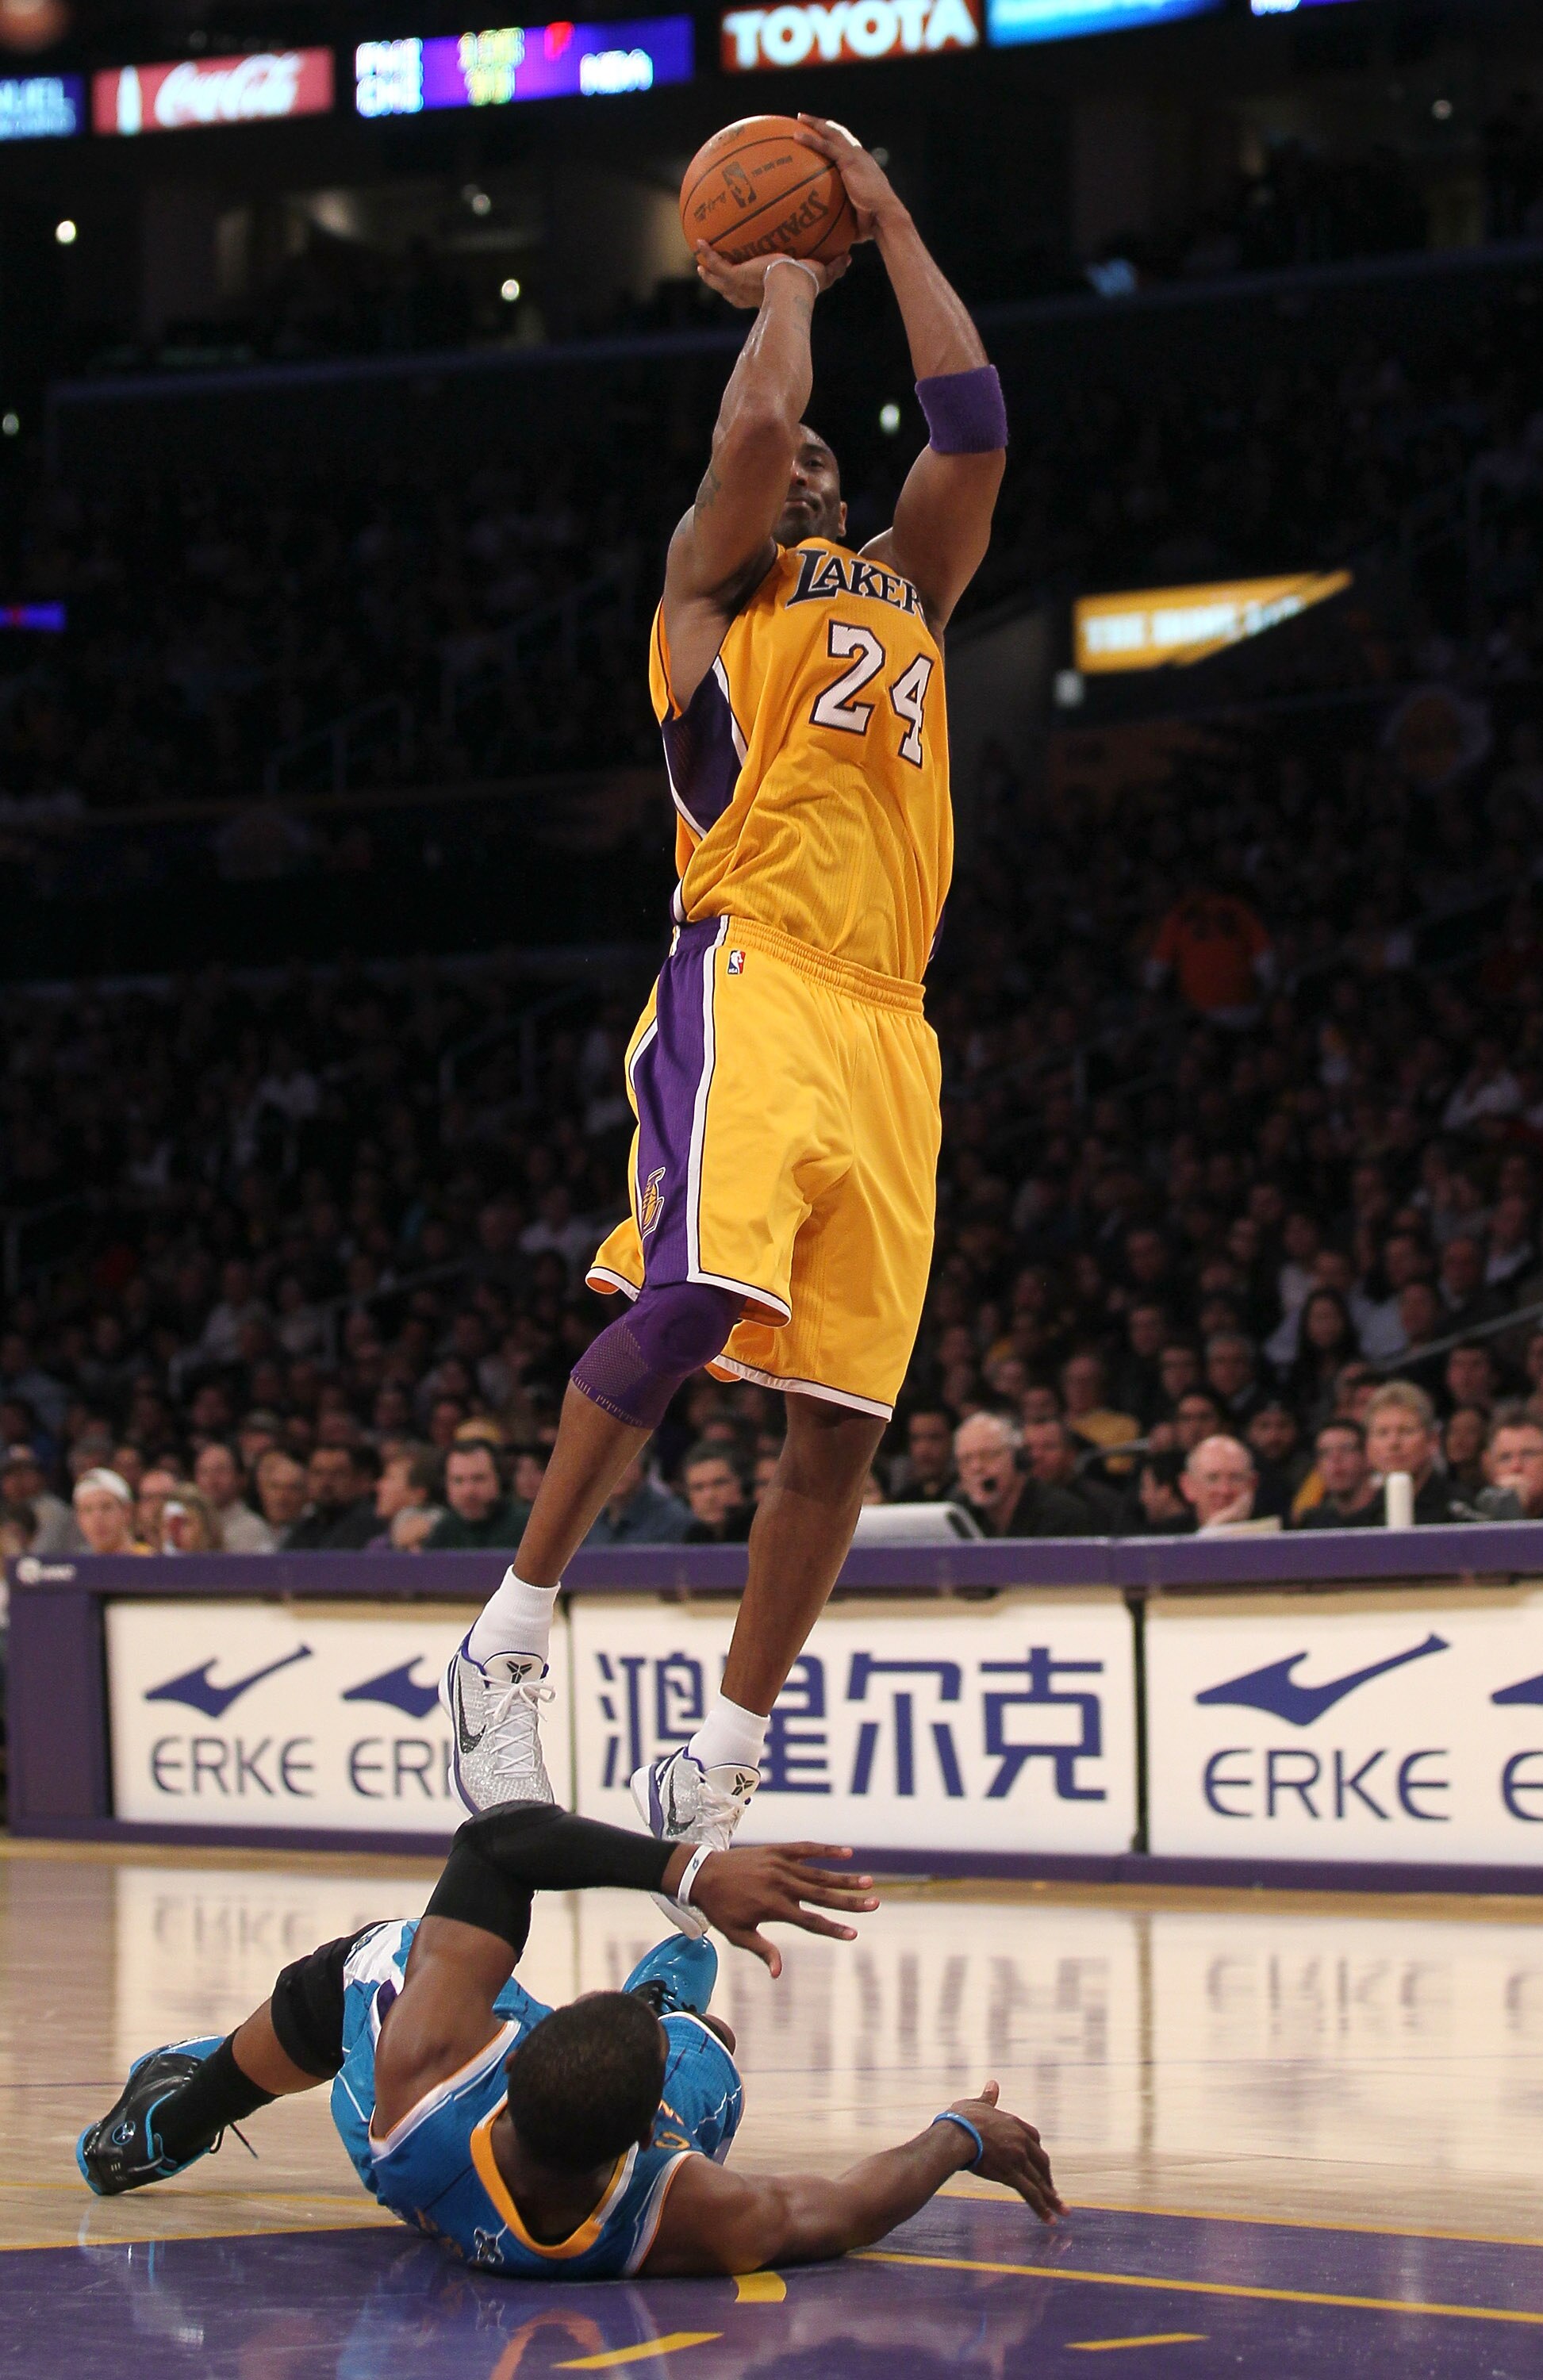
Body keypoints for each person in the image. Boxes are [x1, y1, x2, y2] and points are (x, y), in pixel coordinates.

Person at [439, 117, 1009, 1882]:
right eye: (799, 457)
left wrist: (888, 216)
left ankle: (723, 1759)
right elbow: (759, 431)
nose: (815, 462)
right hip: (752, 963)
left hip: (892, 1022)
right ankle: (507, 1638)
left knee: (842, 1422)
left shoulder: (908, 584)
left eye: (839, 456)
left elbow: (974, 425)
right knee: (692, 1298)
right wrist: (785, 284)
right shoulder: (707, 588)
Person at [75, 1806, 1063, 2270]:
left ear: (513, 2053)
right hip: (555, 2157)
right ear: (645, 2135)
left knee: (366, 1973)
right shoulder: (684, 2210)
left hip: (409, 2141)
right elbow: (844, 2211)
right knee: (708, 2036)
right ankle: (663, 2014)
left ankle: (177, 2115)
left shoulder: (426, 2070)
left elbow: (494, 1841)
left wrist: (686, 1869)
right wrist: (957, 2133)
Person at [953, 1411, 1088, 1538]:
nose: (976, 1467)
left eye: (988, 1455)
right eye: (966, 1459)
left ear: (1017, 1458)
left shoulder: (1060, 1513)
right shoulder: (958, 1511)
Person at [1359, 1380, 1471, 1526]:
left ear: (1432, 1440)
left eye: (1406, 1431)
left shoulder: (1460, 1512)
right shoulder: (1364, 1521)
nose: (1393, 1443)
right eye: (1382, 1433)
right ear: (1368, 1446)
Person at [1020, 1416, 1123, 1533]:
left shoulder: (1104, 1504)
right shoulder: (1013, 1504)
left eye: (1049, 1447)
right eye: (1028, 1448)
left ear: (1071, 1455)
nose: (1036, 1456)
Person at [424, 1441, 531, 1553]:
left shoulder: (527, 1526)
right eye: (458, 1480)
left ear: (499, 1479)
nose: (468, 1491)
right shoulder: (443, 1531)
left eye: (478, 1478)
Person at [583, 1453, 693, 1548]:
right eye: (604, 1464)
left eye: (622, 1463)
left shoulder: (672, 1518)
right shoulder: (586, 1520)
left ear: (643, 1467)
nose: (613, 1472)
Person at [284, 1445, 382, 1552]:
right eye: (318, 1473)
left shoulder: (370, 1524)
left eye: (337, 1473)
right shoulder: (304, 1527)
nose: (326, 1482)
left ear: (355, 1479)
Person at [1293, 1418, 1382, 1527]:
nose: (1335, 1459)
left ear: (1367, 1457)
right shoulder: (1312, 1523)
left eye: (1346, 1449)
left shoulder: (1390, 1512)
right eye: (1325, 1452)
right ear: (1317, 1466)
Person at [192, 1441, 276, 1554]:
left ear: (241, 1478)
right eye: (204, 1472)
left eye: (220, 1471)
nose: (211, 1480)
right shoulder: (188, 1526)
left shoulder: (253, 1528)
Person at [1180, 1434, 1267, 1534]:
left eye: (1235, 1478)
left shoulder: (1274, 1534)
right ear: (1188, 1486)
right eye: (1213, 1478)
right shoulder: (1168, 1535)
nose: (1225, 1490)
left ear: (1253, 1484)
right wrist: (1212, 1531)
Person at [1475, 1404, 1543, 1519]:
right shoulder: (1473, 1515)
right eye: (1505, 1458)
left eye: (1528, 1454)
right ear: (1489, 1466)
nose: (1516, 1467)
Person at [681, 1444, 754, 1545]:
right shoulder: (693, 1537)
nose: (709, 1496)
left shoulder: (765, 1530)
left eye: (719, 1483)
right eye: (698, 1487)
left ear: (743, 1485)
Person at [887, 1404, 958, 1503]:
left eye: (934, 1438)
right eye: (916, 1439)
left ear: (953, 1440)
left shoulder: (968, 1497)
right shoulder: (902, 1501)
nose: (924, 1449)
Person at [71, 1467, 141, 1556]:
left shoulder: (150, 1560)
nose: (97, 1518)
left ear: (127, 1511)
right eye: (88, 1510)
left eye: (106, 1507)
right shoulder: (74, 1562)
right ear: (79, 1518)